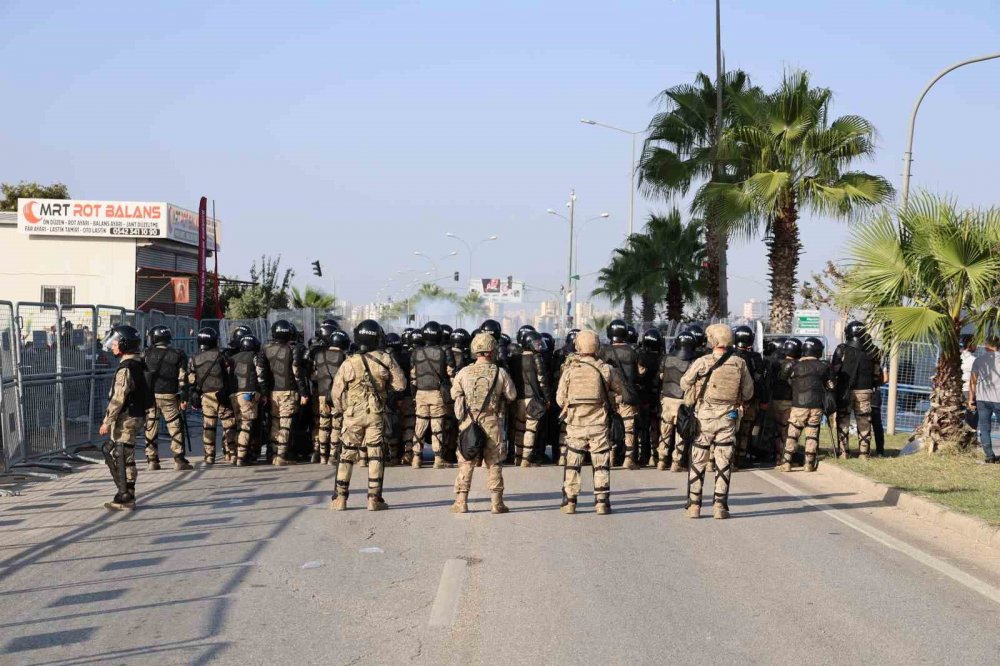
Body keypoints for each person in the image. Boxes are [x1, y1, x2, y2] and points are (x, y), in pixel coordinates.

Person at [329, 320, 406, 511]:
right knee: (375, 455)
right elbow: (401, 385)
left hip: (353, 414)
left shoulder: (349, 362)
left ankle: (340, 499)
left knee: (346, 454)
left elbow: (336, 392)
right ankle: (374, 498)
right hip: (375, 413)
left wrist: (343, 410)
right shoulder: (385, 359)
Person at [679, 324, 753, 520]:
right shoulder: (739, 363)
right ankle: (719, 506)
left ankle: (694, 506)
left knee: (698, 462)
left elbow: (684, 382)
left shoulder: (702, 362)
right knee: (723, 462)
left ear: (713, 340)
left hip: (704, 417)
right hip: (728, 418)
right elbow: (748, 392)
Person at [556, 329, 624, 515]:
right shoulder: (605, 369)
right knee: (601, 464)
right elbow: (619, 390)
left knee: (573, 464)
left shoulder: (570, 370)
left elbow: (560, 399)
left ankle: (570, 502)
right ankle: (601, 502)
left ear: (578, 346)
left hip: (576, 424)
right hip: (598, 424)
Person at [450, 332, 517, 514]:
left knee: (466, 461)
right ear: (492, 350)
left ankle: (461, 502)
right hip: (491, 421)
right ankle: (497, 503)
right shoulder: (499, 372)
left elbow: (454, 393)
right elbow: (512, 395)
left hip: (469, 421)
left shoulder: (464, 372)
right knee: (494, 462)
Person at [98, 325, 152, 510]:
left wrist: (107, 421)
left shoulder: (126, 368)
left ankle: (125, 495)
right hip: (136, 415)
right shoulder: (139, 363)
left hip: (126, 417)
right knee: (125, 455)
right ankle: (127, 492)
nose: (112, 346)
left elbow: (118, 398)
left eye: (115, 342)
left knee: (122, 455)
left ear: (123, 344)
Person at [778, 337, 833, 472]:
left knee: (793, 434)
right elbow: (831, 385)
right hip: (816, 405)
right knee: (812, 434)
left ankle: (786, 462)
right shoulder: (824, 366)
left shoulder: (795, 366)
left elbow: (783, 378)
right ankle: (809, 463)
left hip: (799, 405)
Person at [143, 325, 192, 471]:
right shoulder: (178, 354)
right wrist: (184, 398)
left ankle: (152, 460)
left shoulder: (147, 353)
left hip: (150, 395)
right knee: (175, 426)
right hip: (169, 395)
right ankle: (179, 459)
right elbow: (183, 378)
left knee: (151, 426)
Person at [260, 320, 309, 466]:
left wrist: (264, 394)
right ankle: (281, 456)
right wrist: (304, 393)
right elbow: (297, 372)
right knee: (285, 425)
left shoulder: (265, 349)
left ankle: (274, 454)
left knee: (275, 423)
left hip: (272, 393)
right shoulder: (293, 348)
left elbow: (261, 374)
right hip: (289, 392)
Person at [831, 321, 882, 460]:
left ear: (848, 333)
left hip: (844, 391)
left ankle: (843, 452)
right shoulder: (874, 351)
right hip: (865, 391)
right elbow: (877, 375)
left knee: (843, 421)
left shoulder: (842, 349)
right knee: (864, 422)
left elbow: (834, 370)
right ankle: (864, 454)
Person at [188, 327, 235, 465]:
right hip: (222, 395)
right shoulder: (221, 355)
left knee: (209, 426)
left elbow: (191, 381)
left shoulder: (194, 359)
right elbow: (230, 374)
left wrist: (193, 398)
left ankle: (209, 456)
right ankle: (232, 453)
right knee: (229, 425)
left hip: (206, 397)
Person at [410, 321, 454, 468]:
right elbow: (451, 373)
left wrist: (413, 396)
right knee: (437, 426)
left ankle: (416, 458)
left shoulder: (416, 352)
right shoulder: (444, 352)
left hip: (421, 393)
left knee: (420, 425)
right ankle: (438, 459)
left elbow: (413, 378)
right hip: (437, 394)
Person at [599, 319, 641, 470]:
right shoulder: (633, 351)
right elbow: (638, 374)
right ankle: (628, 459)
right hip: (627, 395)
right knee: (629, 427)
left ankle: (610, 457)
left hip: (610, 395)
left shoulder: (604, 351)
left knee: (609, 424)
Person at [509, 329, 549, 467]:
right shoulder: (536, 358)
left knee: (519, 429)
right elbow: (542, 381)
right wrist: (547, 398)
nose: (539, 346)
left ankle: (517, 457)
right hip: (533, 398)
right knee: (530, 430)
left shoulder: (514, 358)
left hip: (518, 398)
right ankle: (526, 459)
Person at [657, 331, 696, 472]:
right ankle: (676, 462)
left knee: (665, 431)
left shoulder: (666, 359)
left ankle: (661, 461)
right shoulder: (692, 361)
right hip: (682, 400)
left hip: (667, 399)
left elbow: (661, 375)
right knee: (681, 432)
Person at [310, 324, 348, 465]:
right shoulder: (343, 356)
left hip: (321, 395)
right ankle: (332, 455)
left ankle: (322, 456)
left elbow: (313, 376)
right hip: (337, 395)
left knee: (323, 424)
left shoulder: (319, 355)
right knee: (336, 425)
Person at [732, 326, 768, 469]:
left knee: (730, 429)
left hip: (731, 399)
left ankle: (728, 457)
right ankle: (740, 458)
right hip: (749, 400)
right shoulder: (755, 358)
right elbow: (760, 381)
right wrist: (764, 399)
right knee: (745, 430)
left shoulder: (729, 354)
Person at [230, 335, 267, 465]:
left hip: (234, 394)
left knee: (239, 425)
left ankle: (235, 454)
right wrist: (264, 393)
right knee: (246, 425)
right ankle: (241, 457)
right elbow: (260, 375)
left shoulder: (233, 358)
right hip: (249, 394)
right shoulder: (255, 356)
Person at [769, 338, 802, 466]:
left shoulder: (776, 363)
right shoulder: (798, 365)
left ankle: (778, 457)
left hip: (776, 399)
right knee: (787, 431)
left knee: (778, 430)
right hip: (790, 400)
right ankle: (785, 459)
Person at [970, 336, 1000, 464]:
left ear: (986, 345)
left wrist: (971, 399)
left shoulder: (978, 360)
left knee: (984, 427)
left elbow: (973, 381)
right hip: (998, 398)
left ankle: (989, 456)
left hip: (982, 398)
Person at [961, 336, 979, 431]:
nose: (976, 347)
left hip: (956, 391)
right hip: (968, 391)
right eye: (975, 344)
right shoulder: (974, 360)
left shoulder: (958, 357)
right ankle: (971, 439)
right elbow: (975, 379)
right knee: (971, 419)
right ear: (970, 345)